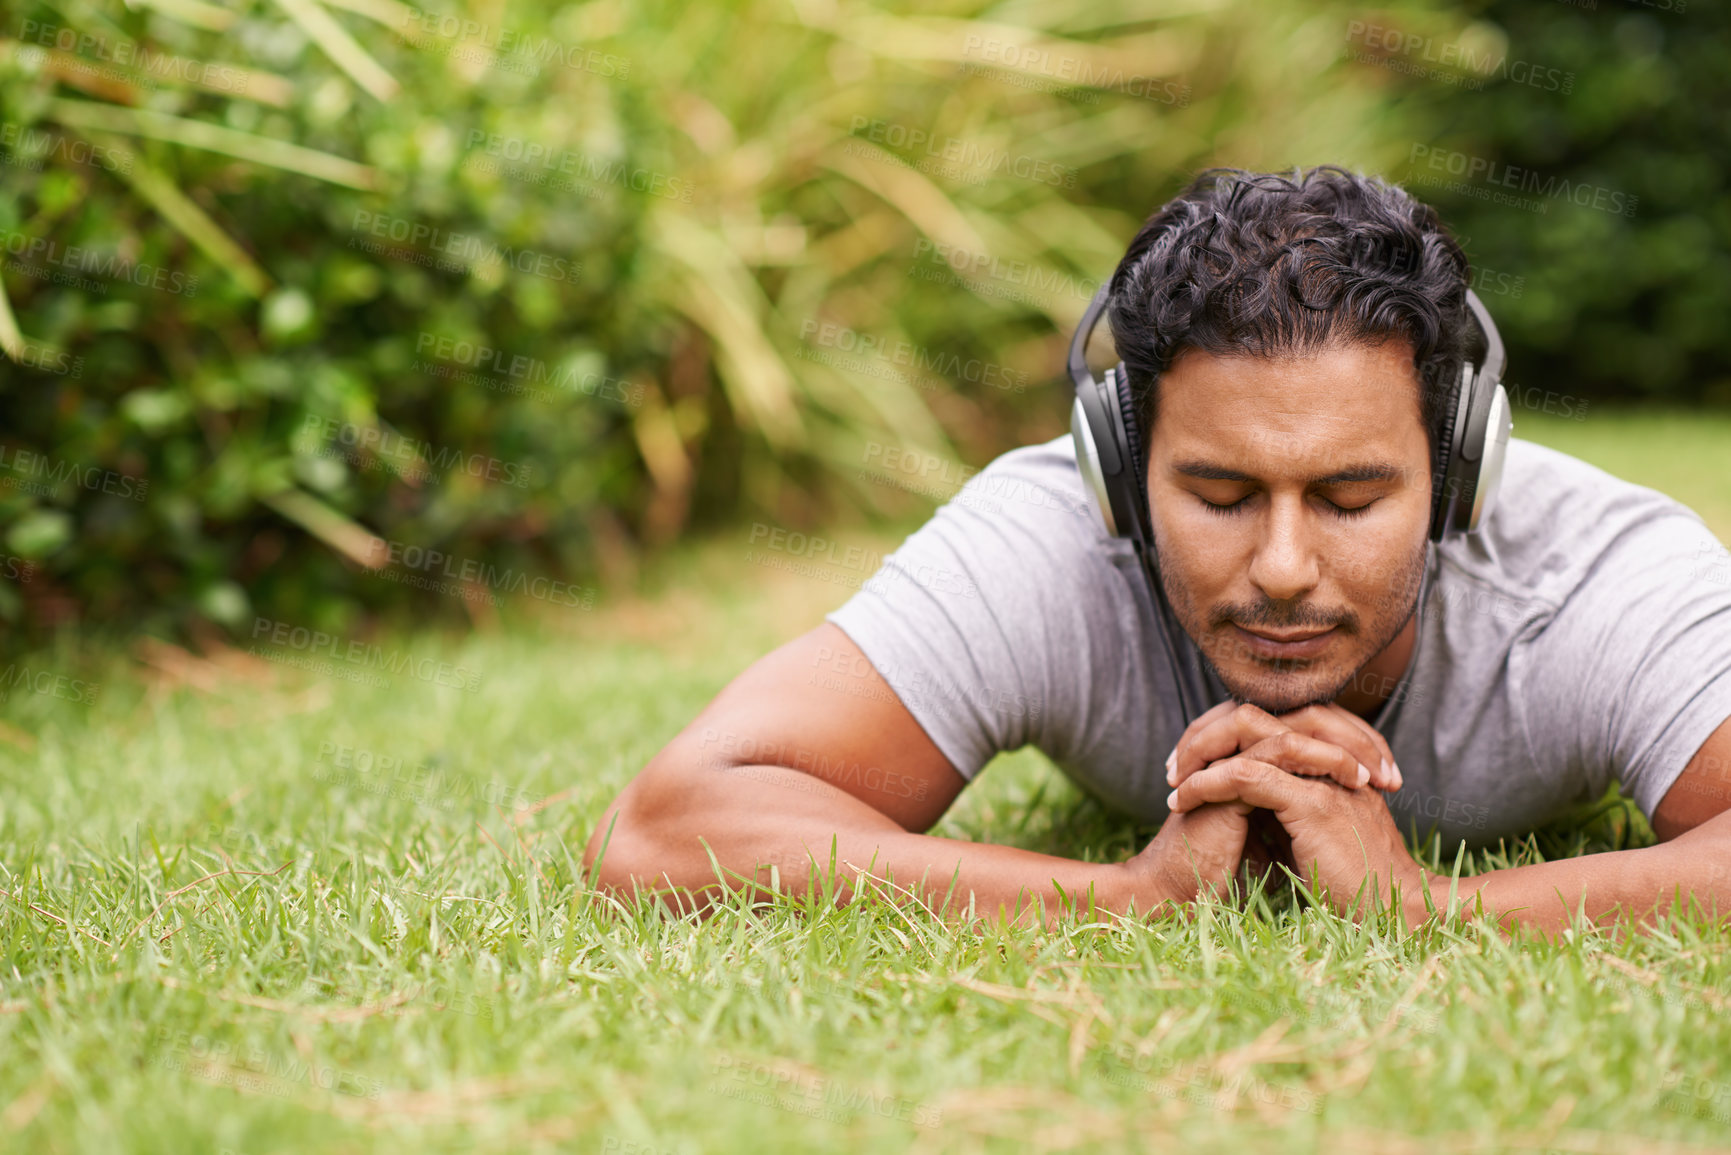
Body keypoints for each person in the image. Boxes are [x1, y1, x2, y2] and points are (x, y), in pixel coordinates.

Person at [585, 166, 1731, 935]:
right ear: (1122, 469)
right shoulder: (1045, 543)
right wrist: (1127, 893)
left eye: (1351, 496)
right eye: (1221, 493)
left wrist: (1426, 905)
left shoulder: (1595, 579)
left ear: (1459, 473)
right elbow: (666, 827)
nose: (1283, 566)